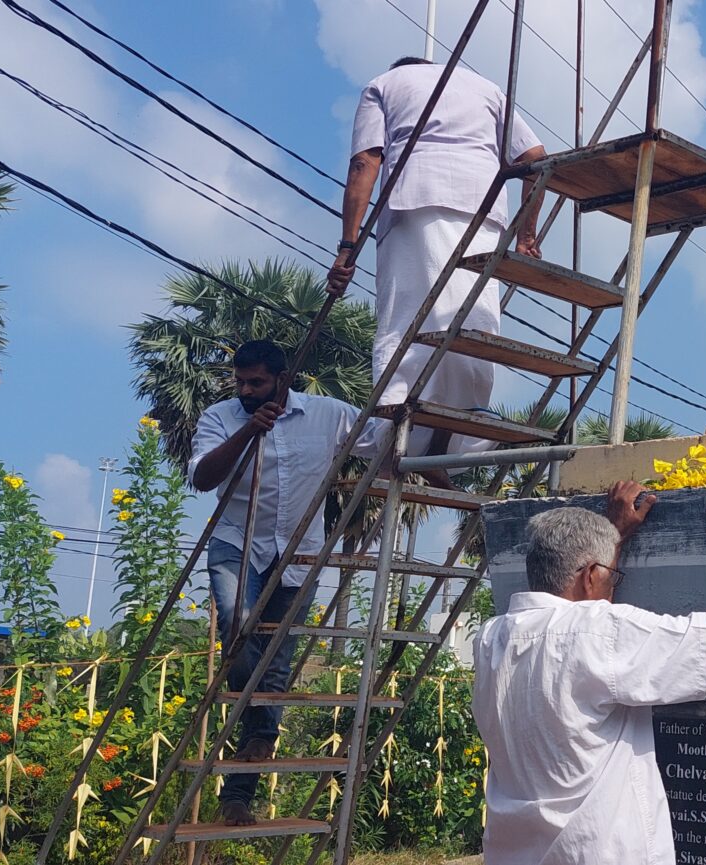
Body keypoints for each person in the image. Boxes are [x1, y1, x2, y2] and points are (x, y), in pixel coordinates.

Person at [473, 473, 706, 865]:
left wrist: (610, 538)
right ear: (591, 575)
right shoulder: (599, 632)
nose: (610, 587)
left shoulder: (489, 639)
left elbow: (579, 627)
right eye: (608, 577)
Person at [188, 339, 387, 826]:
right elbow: (202, 477)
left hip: (299, 553)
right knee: (236, 622)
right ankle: (259, 728)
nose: (245, 391)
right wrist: (248, 432)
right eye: (240, 382)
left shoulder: (328, 414)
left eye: (255, 382)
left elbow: (383, 440)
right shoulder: (220, 417)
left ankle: (238, 794)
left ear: (282, 380)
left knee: (275, 664)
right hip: (238, 542)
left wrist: (422, 420)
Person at [328, 56, 548, 470]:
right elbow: (535, 157)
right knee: (472, 318)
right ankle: (466, 425)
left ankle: (396, 425)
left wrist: (347, 246)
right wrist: (527, 234)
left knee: (407, 318)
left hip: (414, 202)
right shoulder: (486, 88)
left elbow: (365, 162)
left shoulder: (384, 83)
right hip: (484, 213)